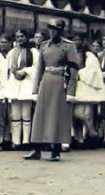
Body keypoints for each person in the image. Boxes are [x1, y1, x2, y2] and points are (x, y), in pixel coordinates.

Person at [24, 19, 78, 162]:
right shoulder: (43, 46)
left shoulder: (69, 46)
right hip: (46, 82)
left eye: (55, 29)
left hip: (60, 82)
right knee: (40, 115)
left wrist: (71, 92)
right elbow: (39, 69)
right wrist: (35, 89)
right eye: (50, 29)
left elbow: (73, 71)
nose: (52, 32)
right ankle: (36, 149)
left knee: (57, 116)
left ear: (61, 31)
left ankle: (56, 150)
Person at [4, 30, 39, 151]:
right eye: (17, 36)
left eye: (22, 36)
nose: (20, 39)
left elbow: (37, 67)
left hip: (27, 83)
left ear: (27, 37)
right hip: (14, 83)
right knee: (15, 114)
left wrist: (25, 71)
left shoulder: (33, 52)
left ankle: (26, 140)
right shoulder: (12, 52)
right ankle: (16, 140)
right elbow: (7, 69)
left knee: (26, 114)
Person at [68, 34, 105, 149]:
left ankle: (92, 134)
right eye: (74, 40)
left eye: (79, 39)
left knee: (84, 114)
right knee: (74, 115)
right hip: (74, 86)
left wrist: (78, 73)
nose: (77, 42)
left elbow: (92, 71)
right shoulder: (70, 54)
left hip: (85, 87)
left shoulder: (89, 56)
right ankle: (79, 138)